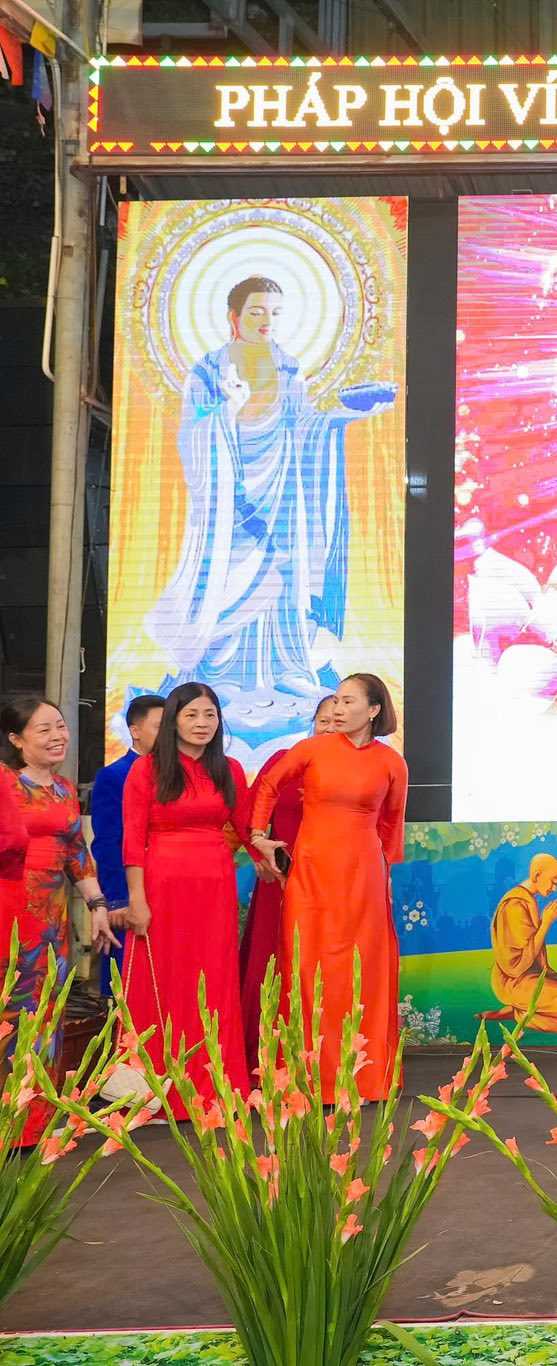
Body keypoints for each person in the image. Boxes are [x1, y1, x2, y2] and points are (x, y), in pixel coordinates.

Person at [145, 275, 395, 748]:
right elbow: (191, 437)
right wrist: (228, 412)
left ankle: (284, 667)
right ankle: (220, 674)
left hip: (281, 493)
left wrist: (342, 418)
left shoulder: (288, 368)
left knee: (284, 581)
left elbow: (304, 427)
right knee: (229, 583)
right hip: (226, 502)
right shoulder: (208, 372)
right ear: (234, 316)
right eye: (257, 311)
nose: (266, 321)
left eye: (275, 313)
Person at [249, 673, 407, 1104]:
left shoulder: (391, 763)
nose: (338, 709)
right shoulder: (312, 750)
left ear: (373, 710)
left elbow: (392, 825)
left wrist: (386, 878)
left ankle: (363, 1077)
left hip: (364, 877)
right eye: (336, 700)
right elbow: (268, 786)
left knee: (362, 970)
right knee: (305, 965)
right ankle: (306, 1077)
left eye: (348, 701)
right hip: (311, 872)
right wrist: (258, 836)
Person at [122, 683, 260, 1118]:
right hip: (162, 885)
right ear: (174, 721)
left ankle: (215, 1087)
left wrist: (267, 849)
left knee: (214, 980)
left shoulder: (229, 769)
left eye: (210, 715)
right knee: (166, 978)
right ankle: (157, 1089)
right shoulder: (147, 769)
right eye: (192, 715)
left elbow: (246, 826)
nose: (202, 723)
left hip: (215, 887)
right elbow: (132, 841)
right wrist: (136, 900)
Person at [239, 694, 338, 1069]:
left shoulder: (360, 769)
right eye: (323, 721)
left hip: (334, 882)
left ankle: (326, 1055)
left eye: (338, 722)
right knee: (277, 959)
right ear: (312, 723)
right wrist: (259, 854)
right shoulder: (285, 760)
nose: (329, 728)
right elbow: (248, 812)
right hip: (281, 881)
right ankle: (267, 1055)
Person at [1, 699, 116, 1018]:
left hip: (52, 917)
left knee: (47, 1003)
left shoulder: (64, 788)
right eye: (44, 729)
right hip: (9, 906)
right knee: (9, 1000)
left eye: (61, 726)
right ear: (16, 739)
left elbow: (75, 851)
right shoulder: (4, 780)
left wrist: (98, 905)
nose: (57, 736)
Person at [89, 695, 165, 999]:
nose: (169, 735)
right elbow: (108, 843)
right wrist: (118, 899)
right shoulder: (115, 775)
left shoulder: (179, 776)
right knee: (129, 986)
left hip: (168, 889)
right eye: (159, 727)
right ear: (134, 730)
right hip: (131, 895)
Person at [487, 853, 557, 1034]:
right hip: (514, 982)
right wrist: (545, 923)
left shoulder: (528, 899)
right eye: (553, 881)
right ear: (536, 875)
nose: (554, 888)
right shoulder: (514, 905)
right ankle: (520, 1014)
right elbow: (516, 965)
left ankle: (523, 1012)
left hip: (532, 976)